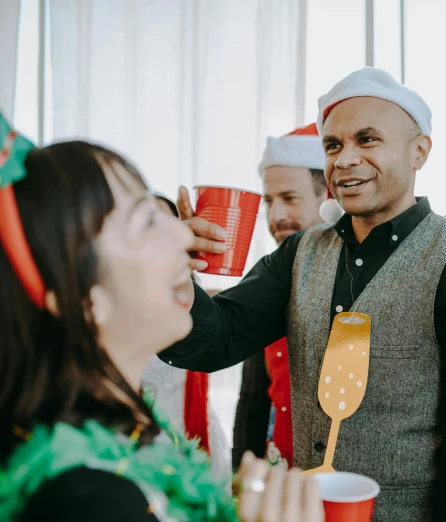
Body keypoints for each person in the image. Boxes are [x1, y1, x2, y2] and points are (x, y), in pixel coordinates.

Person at [162, 67, 446, 522]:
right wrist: (173, 268)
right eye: (333, 145)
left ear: (419, 152)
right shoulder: (300, 254)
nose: (345, 159)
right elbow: (214, 339)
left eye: (367, 140)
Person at [0, 113, 321, 522]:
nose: (186, 235)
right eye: (148, 222)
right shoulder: (88, 498)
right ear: (84, 300)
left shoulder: (136, 435)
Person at [233, 123, 327, 470]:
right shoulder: (268, 279)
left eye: (290, 198)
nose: (276, 217)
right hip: (276, 475)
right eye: (269, 201)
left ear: (328, 195)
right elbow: (253, 396)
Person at [140, 193, 232, 479]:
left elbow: (226, 312)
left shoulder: (193, 302)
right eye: (148, 224)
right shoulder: (122, 312)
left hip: (199, 430)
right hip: (148, 440)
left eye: (169, 225)